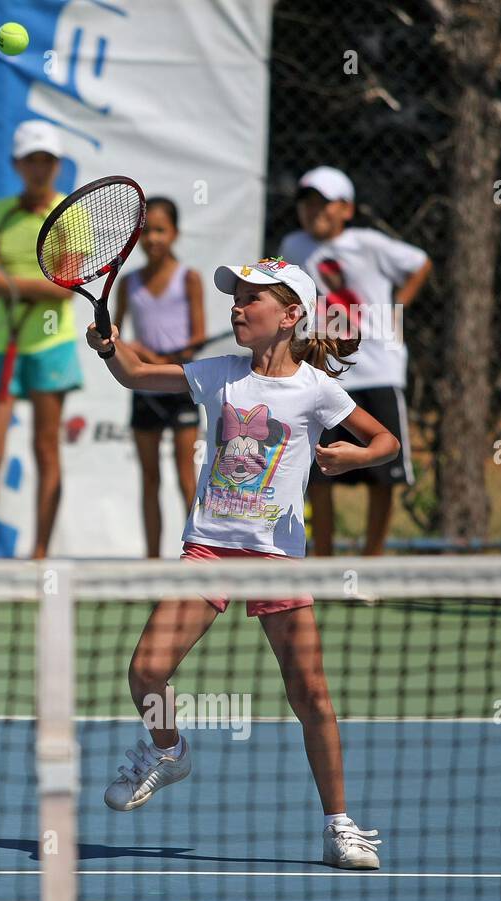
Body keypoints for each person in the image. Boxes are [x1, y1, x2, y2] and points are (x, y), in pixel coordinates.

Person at [84, 256, 397, 869]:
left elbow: (384, 439)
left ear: (289, 316)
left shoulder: (316, 388)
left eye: (251, 299)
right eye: (236, 296)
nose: (236, 306)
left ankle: (340, 827)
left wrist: (353, 459)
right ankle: (168, 750)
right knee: (146, 672)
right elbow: (137, 375)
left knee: (310, 694)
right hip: (209, 547)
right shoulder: (220, 374)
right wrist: (108, 349)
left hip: (277, 555)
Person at [279, 166, 432, 556]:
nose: (314, 212)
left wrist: (397, 312)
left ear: (346, 209)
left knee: (382, 475)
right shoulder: (293, 246)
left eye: (323, 204)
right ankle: (324, 562)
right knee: (317, 472)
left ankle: (372, 563)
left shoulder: (369, 243)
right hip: (323, 376)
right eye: (307, 204)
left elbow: (420, 263)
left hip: (378, 372)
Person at [0, 121, 81, 558]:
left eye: (47, 161)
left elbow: (66, 286)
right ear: (17, 164)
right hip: (0, 344)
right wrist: (37, 283)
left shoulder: (70, 212)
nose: (39, 170)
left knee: (45, 448)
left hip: (50, 345)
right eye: (31, 161)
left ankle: (39, 559)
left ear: (56, 166)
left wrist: (11, 283)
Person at [112, 196, 205, 558]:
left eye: (161, 231)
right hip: (145, 389)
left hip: (181, 385)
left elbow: (197, 337)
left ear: (176, 234)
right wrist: (136, 352)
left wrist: (162, 356)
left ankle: (197, 557)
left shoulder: (190, 278)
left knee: (186, 476)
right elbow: (116, 331)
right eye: (147, 231)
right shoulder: (128, 282)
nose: (153, 239)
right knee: (149, 478)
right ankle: (151, 562)